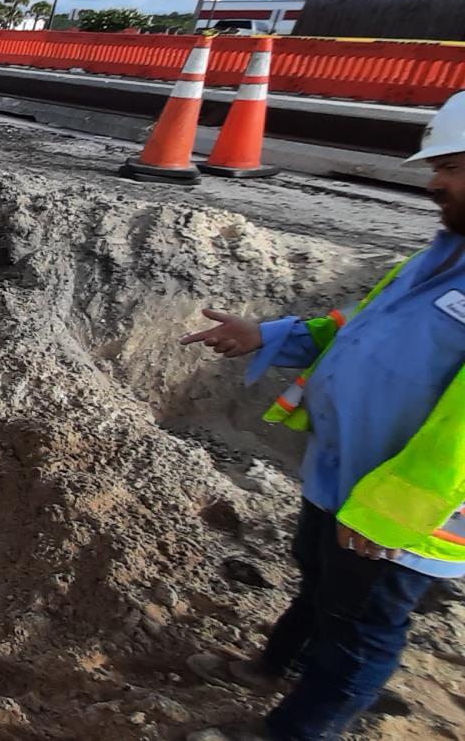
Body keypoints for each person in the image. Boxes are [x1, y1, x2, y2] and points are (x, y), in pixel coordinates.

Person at [181, 90, 465, 741]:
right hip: (347, 479)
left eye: (451, 168)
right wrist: (270, 335)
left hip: (405, 513)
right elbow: (360, 327)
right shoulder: (442, 258)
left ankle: (300, 730)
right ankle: (273, 667)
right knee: (319, 583)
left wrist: (391, 513)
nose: (435, 182)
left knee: (359, 632)